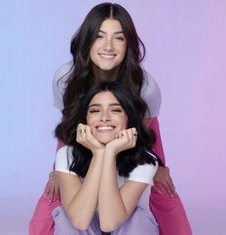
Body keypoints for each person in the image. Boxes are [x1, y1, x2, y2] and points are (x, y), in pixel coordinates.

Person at [29, 3, 192, 235]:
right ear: (87, 40)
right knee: (49, 213)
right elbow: (68, 124)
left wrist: (156, 165)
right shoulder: (65, 78)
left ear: (128, 45)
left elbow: (145, 133)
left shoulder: (146, 86)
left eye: (118, 38)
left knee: (160, 190)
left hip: (135, 140)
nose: (108, 46)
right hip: (79, 140)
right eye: (99, 36)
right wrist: (59, 169)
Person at [52, 81, 162, 234]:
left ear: (128, 118)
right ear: (85, 120)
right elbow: (79, 220)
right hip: (84, 226)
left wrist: (110, 152)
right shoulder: (66, 154)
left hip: (124, 226)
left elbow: (109, 223)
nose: (104, 118)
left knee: (137, 219)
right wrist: (99, 153)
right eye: (95, 111)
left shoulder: (145, 160)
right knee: (66, 219)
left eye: (115, 110)